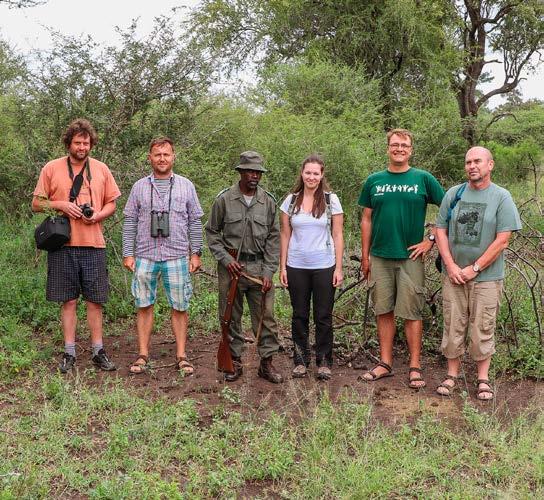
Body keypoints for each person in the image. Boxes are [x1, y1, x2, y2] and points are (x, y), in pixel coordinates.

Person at [32, 118, 121, 373]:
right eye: (77, 142)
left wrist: (97, 216)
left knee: (95, 301)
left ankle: (98, 350)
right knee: (68, 301)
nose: (82, 147)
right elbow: (37, 203)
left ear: (91, 143)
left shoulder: (102, 169)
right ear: (68, 143)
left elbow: (112, 204)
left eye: (86, 142)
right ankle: (69, 353)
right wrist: (61, 205)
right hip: (63, 244)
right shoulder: (52, 168)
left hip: (94, 244)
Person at [359, 128, 445, 388]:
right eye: (395, 145)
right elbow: (366, 219)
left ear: (411, 150)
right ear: (388, 148)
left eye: (404, 145)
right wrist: (365, 256)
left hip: (411, 257)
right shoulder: (374, 180)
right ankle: (385, 363)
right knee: (383, 310)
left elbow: (449, 209)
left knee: (412, 312)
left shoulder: (423, 178)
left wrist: (430, 240)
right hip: (380, 256)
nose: (399, 149)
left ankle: (415, 366)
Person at [435, 146, 521, 400]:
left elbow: (503, 239)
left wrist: (475, 268)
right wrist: (450, 265)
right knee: (453, 324)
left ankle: (482, 379)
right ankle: (451, 375)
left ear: (490, 165)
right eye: (468, 162)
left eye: (477, 161)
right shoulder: (454, 194)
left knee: (482, 326)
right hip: (454, 275)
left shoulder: (501, 197)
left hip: (486, 277)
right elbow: (440, 229)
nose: (472, 166)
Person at [122, 137, 204, 375]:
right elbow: (130, 222)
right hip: (145, 255)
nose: (162, 159)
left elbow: (195, 223)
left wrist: (196, 253)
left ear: (173, 157)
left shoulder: (186, 186)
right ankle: (143, 355)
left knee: (180, 305)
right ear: (149, 158)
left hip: (177, 255)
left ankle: (181, 355)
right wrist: (128, 253)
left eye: (166, 154)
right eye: (157, 154)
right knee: (144, 304)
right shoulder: (139, 187)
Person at [206, 151, 283, 383]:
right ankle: (235, 361)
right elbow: (212, 232)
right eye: (250, 171)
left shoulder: (267, 201)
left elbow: (273, 238)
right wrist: (226, 260)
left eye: (258, 172)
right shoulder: (224, 200)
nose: (254, 176)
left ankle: (266, 363)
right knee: (230, 316)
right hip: (232, 269)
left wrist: (270, 270)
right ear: (240, 172)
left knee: (266, 317)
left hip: (259, 267)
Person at [279, 154, 344, 380]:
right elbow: (285, 234)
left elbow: (337, 234)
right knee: (299, 315)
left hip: (324, 264)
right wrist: (283, 267)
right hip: (296, 265)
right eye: (308, 172)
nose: (312, 177)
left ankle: (324, 361)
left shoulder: (330, 200)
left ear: (322, 175)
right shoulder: (290, 201)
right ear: (302, 173)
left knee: (323, 315)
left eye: (316, 173)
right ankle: (300, 359)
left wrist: (338, 267)